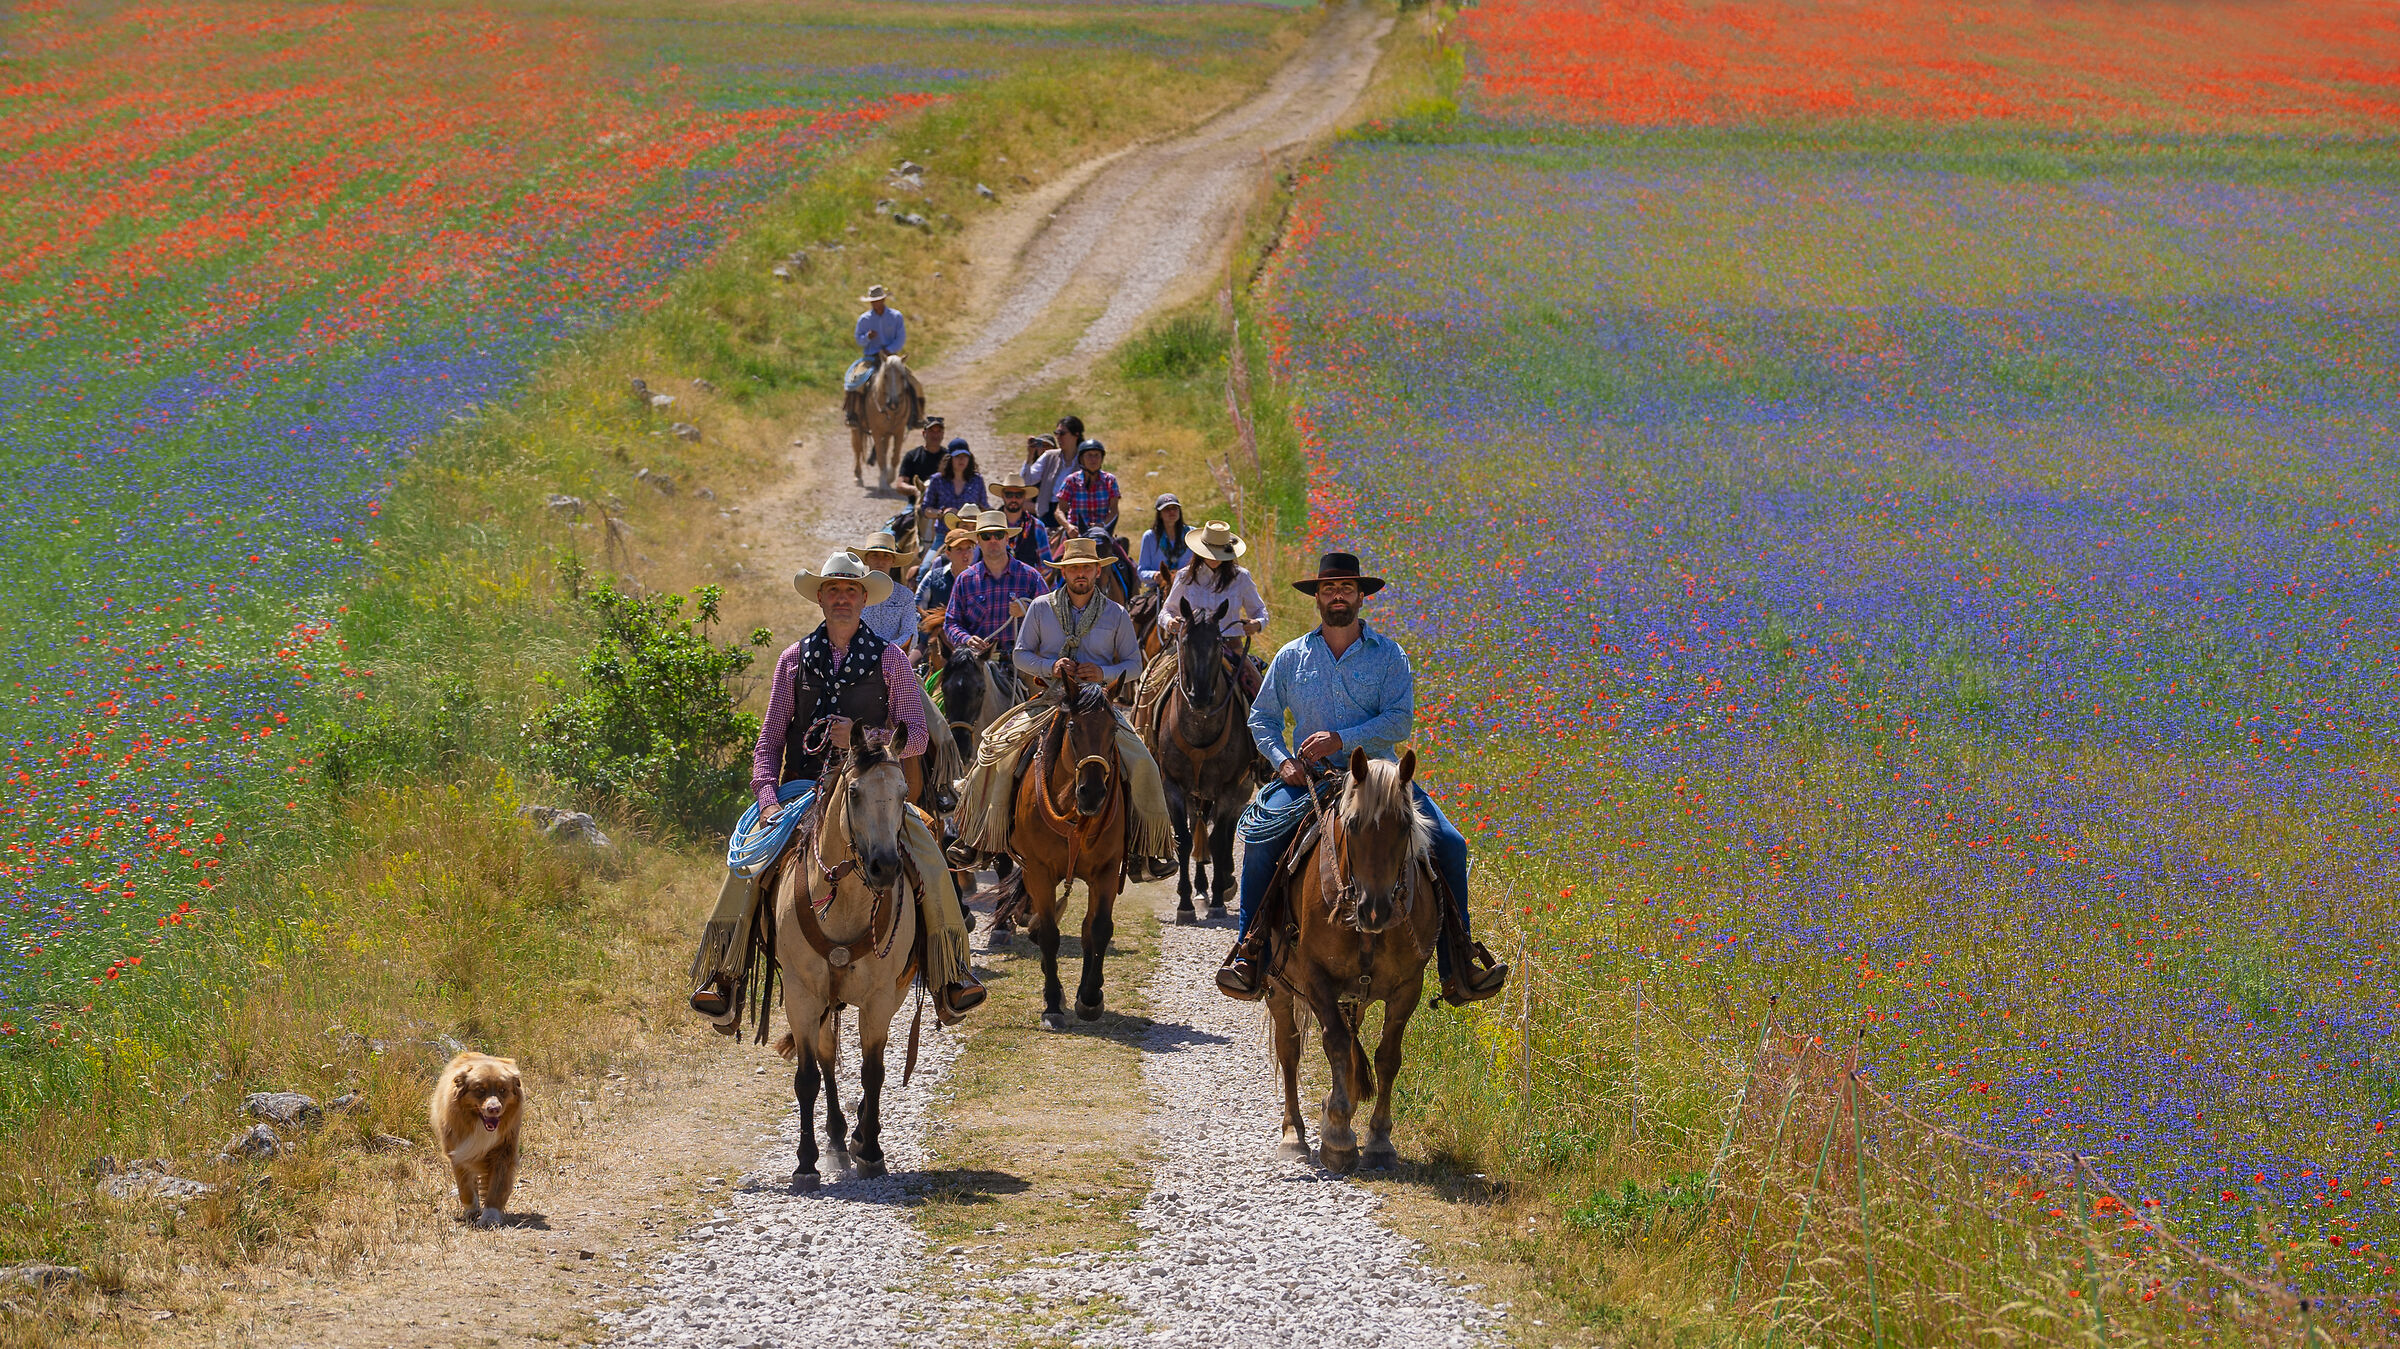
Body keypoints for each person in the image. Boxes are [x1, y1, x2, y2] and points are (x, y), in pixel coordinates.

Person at [688, 552, 983, 1032]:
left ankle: (950, 972)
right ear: (821, 599)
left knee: (928, 855)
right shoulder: (792, 660)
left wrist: (865, 735)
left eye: (850, 591)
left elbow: (919, 733)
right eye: (833, 591)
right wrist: (766, 802)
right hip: (804, 791)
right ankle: (727, 976)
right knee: (746, 864)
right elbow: (768, 741)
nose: (842, 598)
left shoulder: (889, 659)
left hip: (875, 788)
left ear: (864, 599)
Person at [1214, 552, 1508, 1006]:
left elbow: (1399, 722)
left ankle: (1459, 964)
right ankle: (1251, 951)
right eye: (1330, 589)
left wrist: (1341, 739)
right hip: (1309, 780)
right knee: (1258, 843)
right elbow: (1262, 718)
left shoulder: (1390, 655)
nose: (1338, 596)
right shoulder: (1293, 656)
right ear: (1318, 597)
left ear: (1361, 597)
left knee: (1450, 844)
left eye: (1347, 589)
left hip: (1381, 781)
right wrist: (1282, 761)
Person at [953, 536, 1173, 873]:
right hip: (1052, 700)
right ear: (1064, 573)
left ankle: (1147, 850)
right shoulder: (1041, 607)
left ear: (1098, 571)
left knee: (1144, 763)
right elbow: (1021, 654)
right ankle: (979, 838)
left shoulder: (1116, 613)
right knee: (995, 751)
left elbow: (1134, 664)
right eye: (1073, 568)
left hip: (1098, 705)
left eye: (1086, 567)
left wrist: (1103, 672)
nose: (1080, 573)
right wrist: (1050, 667)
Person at [942, 509, 1049, 658]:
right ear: (978, 541)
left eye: (998, 535)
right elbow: (951, 623)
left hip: (1022, 659)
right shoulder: (965, 580)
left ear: (1006, 538)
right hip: (978, 660)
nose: (993, 540)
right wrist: (966, 639)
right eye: (986, 536)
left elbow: (1050, 617)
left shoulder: (1030, 577)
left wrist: (1027, 611)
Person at [843, 285, 908, 429]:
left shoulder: (896, 316)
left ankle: (914, 414)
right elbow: (858, 339)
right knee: (855, 379)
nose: (875, 303)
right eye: (873, 301)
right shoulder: (864, 319)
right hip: (871, 356)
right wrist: (867, 337)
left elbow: (901, 338)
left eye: (877, 300)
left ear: (884, 300)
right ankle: (852, 413)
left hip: (891, 357)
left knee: (911, 380)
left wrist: (889, 349)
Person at [851, 532, 921, 655]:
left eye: (886, 556)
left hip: (894, 658)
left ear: (893, 561)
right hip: (857, 655)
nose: (880, 561)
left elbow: (909, 633)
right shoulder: (853, 593)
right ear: (866, 559)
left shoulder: (905, 595)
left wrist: (885, 650)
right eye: (875, 555)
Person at [1054, 439, 1121, 537]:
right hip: (1075, 534)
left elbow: (1114, 510)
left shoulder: (1109, 480)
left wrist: (1103, 525)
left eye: (1097, 455)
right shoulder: (1071, 480)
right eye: (1089, 455)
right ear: (1081, 459)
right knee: (1058, 552)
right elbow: (1059, 510)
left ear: (1102, 458)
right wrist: (1068, 527)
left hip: (1101, 534)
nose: (1093, 459)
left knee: (1120, 551)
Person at [915, 522, 979, 617]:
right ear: (948, 553)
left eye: (969, 548)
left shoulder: (979, 579)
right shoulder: (932, 577)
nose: (965, 554)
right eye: (959, 549)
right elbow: (918, 608)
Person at [920, 439, 987, 526]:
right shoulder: (937, 480)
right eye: (957, 456)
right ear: (949, 459)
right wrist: (942, 513)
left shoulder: (977, 480)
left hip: (970, 533)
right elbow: (925, 510)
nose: (962, 459)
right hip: (944, 533)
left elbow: (984, 507)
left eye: (965, 456)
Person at [993, 471, 1051, 567]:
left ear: (1024, 497)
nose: (1014, 499)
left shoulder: (1037, 527)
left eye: (1018, 495)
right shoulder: (990, 525)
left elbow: (1046, 565)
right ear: (1003, 495)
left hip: (1026, 581)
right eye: (1009, 494)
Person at [1136, 494, 1191, 587]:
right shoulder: (1149, 537)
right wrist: (1154, 575)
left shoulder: (1192, 534)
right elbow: (1141, 571)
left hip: (1187, 587)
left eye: (1175, 508)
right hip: (1159, 589)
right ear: (1159, 514)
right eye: (1166, 509)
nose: (1171, 512)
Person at [1017, 433, 1066, 527]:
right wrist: (1046, 508)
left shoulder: (1061, 469)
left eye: (1047, 446)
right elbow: (1024, 502)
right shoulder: (1031, 470)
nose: (1044, 449)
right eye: (1041, 446)